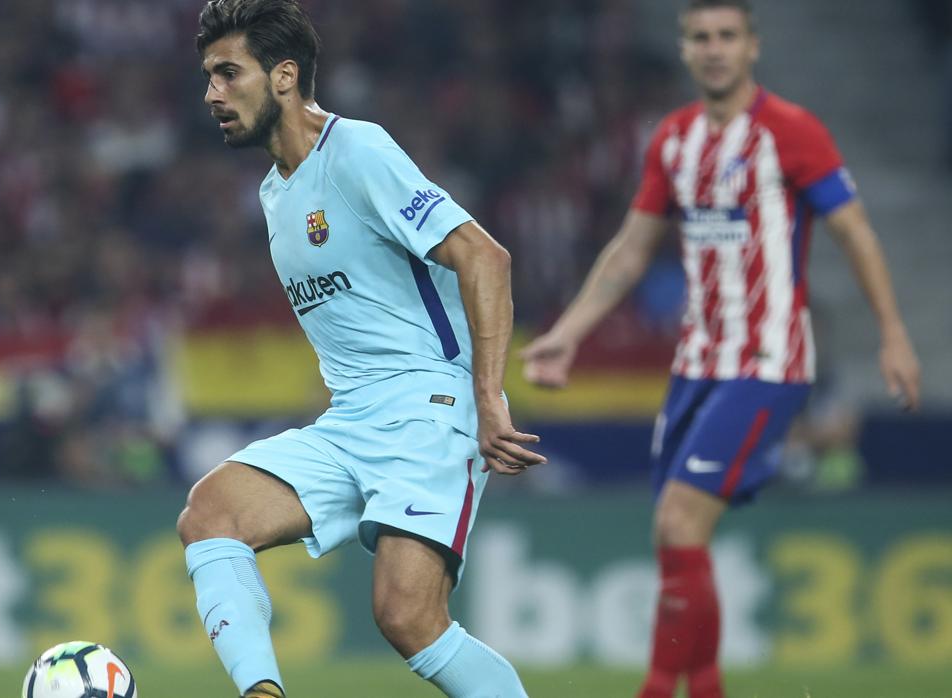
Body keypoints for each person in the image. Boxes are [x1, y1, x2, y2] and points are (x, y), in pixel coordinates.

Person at [520, 2, 922, 697]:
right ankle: (705, 688)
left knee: (679, 520)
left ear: (752, 46)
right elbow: (631, 248)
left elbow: (854, 232)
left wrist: (892, 334)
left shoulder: (792, 132)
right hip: (695, 364)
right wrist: (570, 332)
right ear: (684, 50)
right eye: (701, 37)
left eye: (727, 36)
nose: (714, 49)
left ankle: (655, 690)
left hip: (766, 363)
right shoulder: (673, 140)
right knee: (677, 538)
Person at [176, 1, 545, 697]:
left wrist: (487, 398)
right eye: (208, 76)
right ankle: (262, 693)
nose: (211, 95)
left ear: (283, 76)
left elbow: (484, 258)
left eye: (228, 74)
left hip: (430, 406)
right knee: (210, 513)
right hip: (353, 420)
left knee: (407, 618)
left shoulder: (357, 151)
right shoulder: (273, 192)